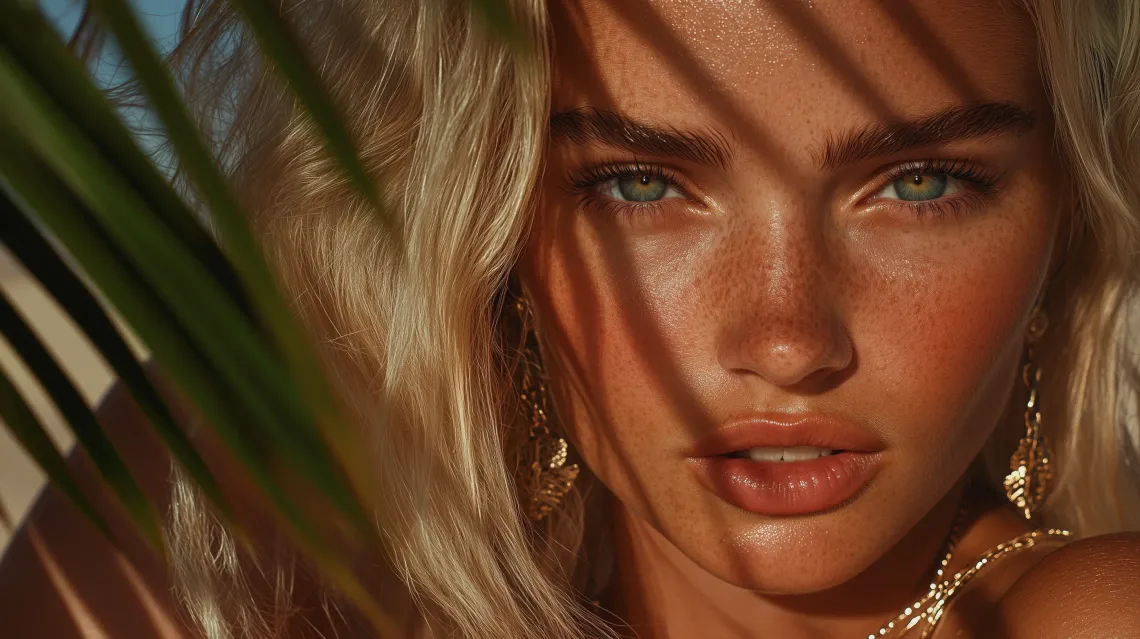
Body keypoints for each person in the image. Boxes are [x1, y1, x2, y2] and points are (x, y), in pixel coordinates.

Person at [2, 0, 1140, 637]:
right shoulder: (278, 563)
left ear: (1064, 219)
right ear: (490, 223)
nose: (789, 342)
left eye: (922, 183)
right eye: (641, 186)